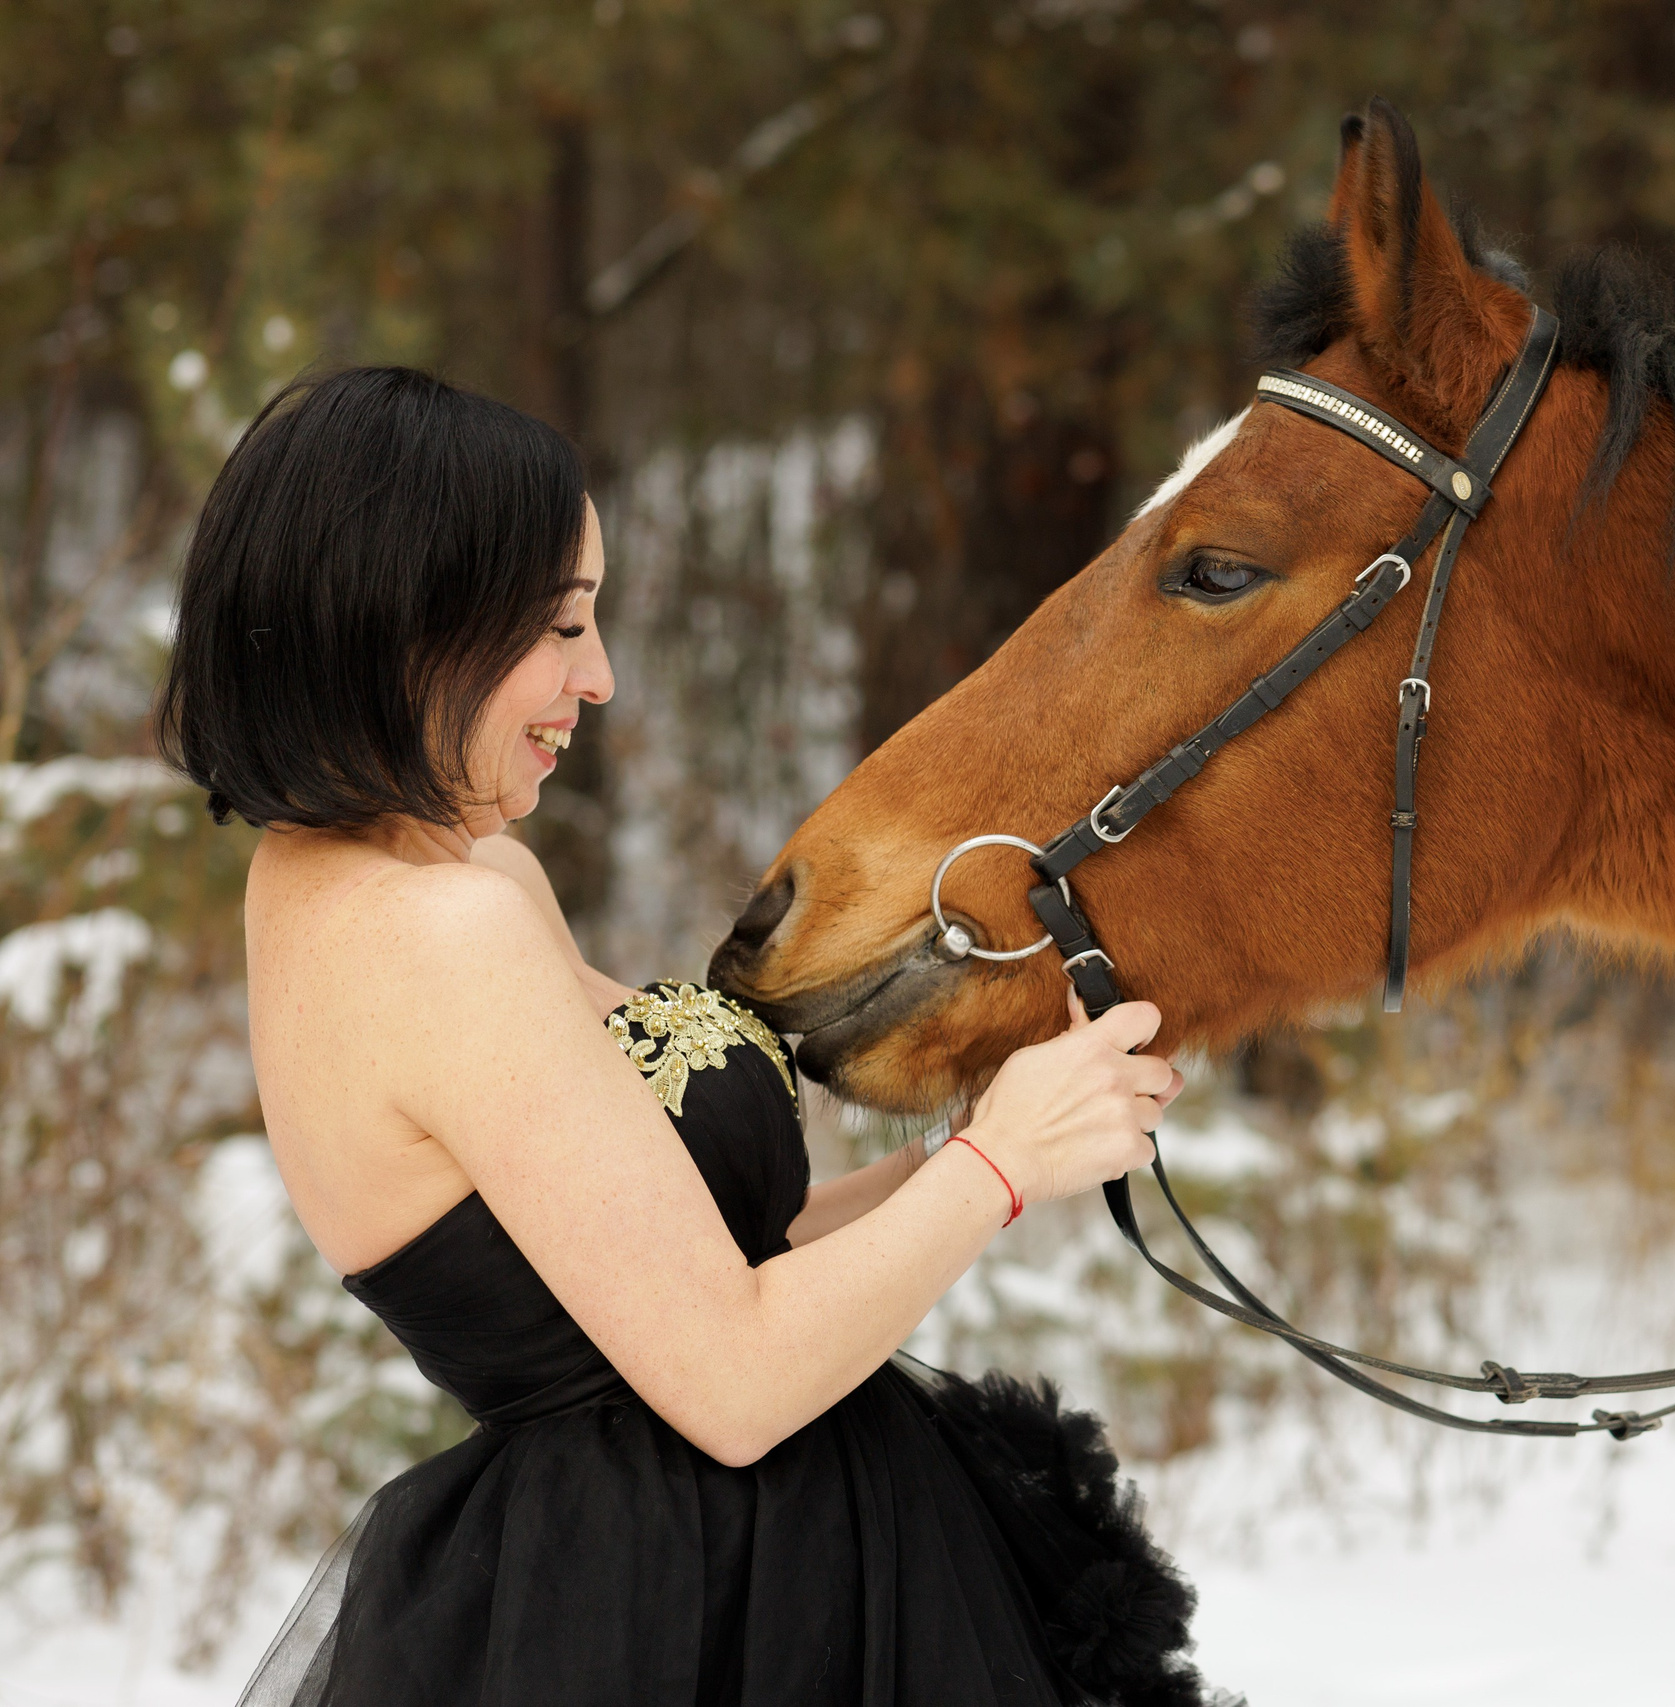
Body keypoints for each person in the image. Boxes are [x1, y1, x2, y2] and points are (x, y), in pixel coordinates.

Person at [156, 367, 1222, 1707]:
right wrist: (996, 1167)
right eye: (559, 625)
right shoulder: (432, 933)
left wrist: (992, 1145)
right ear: (404, 617)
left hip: (721, 1570)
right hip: (691, 1619)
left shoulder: (398, 877)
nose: (595, 680)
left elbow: (684, 1268)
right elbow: (732, 1379)